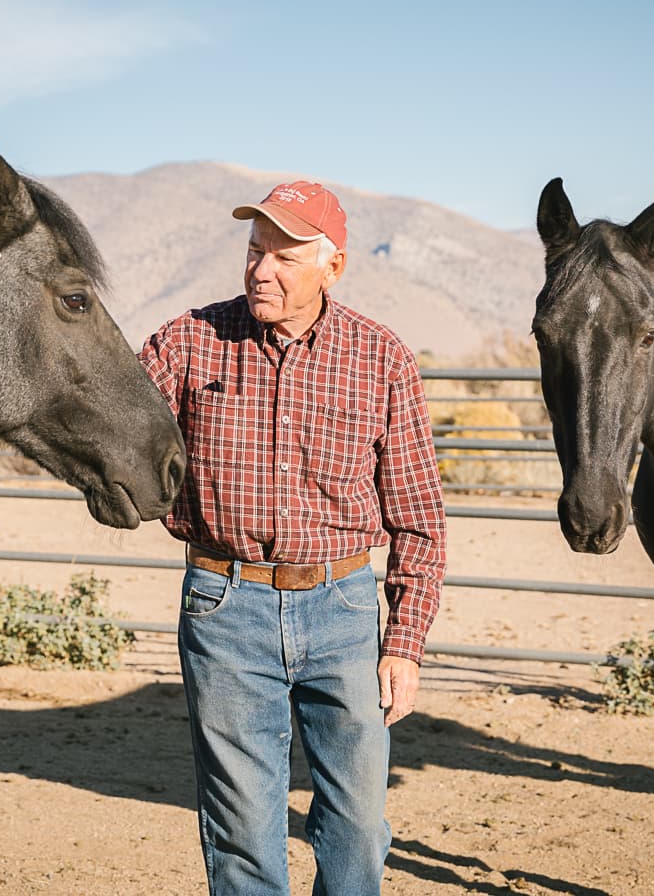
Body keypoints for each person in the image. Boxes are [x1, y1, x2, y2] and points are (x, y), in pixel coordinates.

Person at [139, 180, 447, 895]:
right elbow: (113, 427)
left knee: (359, 826)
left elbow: (419, 519)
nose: (260, 270)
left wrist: (404, 642)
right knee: (244, 830)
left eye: (282, 257)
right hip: (225, 604)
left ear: (332, 268)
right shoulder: (187, 342)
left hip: (343, 609)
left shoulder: (382, 359)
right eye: (254, 252)